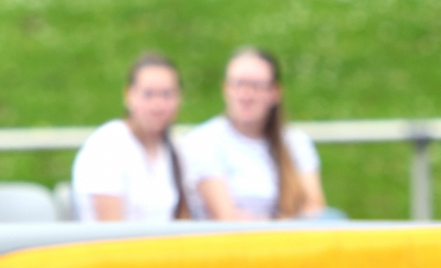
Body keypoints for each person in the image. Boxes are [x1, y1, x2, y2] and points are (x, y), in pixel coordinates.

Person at [181, 47, 326, 220]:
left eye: (257, 86)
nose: (246, 94)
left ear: (275, 92)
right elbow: (225, 218)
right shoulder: (203, 141)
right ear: (225, 89)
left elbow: (315, 208)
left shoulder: (295, 141)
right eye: (238, 84)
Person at [71, 52, 189, 222]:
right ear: (128, 95)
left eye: (167, 94)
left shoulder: (176, 147)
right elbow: (111, 232)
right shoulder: (106, 146)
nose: (158, 105)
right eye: (148, 94)